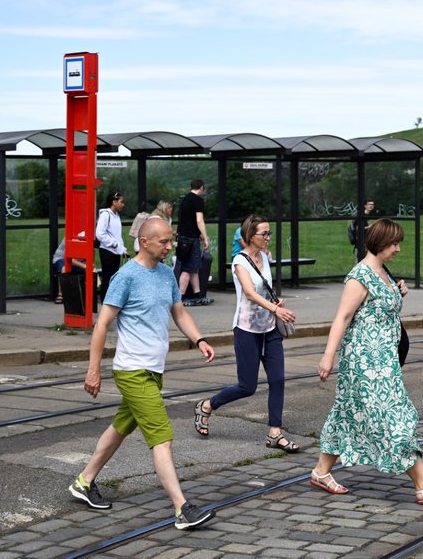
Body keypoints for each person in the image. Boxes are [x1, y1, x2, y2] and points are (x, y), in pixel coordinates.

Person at [68, 217, 216, 530]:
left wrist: (199, 339)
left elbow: (179, 311)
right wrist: (93, 370)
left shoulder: (165, 274)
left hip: (153, 368)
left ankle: (84, 481)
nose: (169, 246)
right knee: (161, 437)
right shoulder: (126, 277)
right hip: (132, 369)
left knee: (122, 425)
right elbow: (103, 324)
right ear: (144, 242)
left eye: (170, 240)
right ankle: (181, 508)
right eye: (163, 242)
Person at [311, 218, 423, 504]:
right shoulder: (360, 276)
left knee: (347, 415)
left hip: (384, 361)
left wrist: (396, 291)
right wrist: (328, 356)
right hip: (365, 364)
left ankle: (320, 472)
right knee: (394, 419)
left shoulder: (383, 273)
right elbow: (342, 318)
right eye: (394, 243)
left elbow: (380, 307)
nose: (398, 249)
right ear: (379, 244)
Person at [193, 215, 299, 452]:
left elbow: (264, 289)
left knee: (278, 380)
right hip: (247, 330)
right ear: (251, 235)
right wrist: (275, 309)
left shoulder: (265, 257)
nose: (268, 238)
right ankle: (207, 406)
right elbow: (250, 293)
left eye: (269, 233)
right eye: (265, 234)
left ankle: (274, 432)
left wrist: (275, 302)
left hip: (269, 328)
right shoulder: (239, 261)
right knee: (247, 386)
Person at [177, 179, 211, 306]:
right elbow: (199, 220)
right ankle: (181, 298)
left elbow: (187, 220)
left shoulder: (185, 199)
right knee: (187, 268)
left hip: (183, 237)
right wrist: (205, 237)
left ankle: (198, 295)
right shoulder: (198, 200)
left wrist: (200, 234)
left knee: (193, 268)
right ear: (201, 187)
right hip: (191, 239)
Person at [96, 191, 126, 302]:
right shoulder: (105, 215)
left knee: (113, 278)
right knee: (108, 278)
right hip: (107, 251)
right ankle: (106, 302)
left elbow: (117, 235)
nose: (123, 204)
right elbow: (100, 233)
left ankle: (111, 303)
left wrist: (122, 249)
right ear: (114, 202)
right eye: (121, 202)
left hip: (115, 252)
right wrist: (113, 243)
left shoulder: (116, 216)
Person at [53, 236, 88, 304]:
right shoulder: (74, 238)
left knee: (90, 270)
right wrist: (85, 266)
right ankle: (61, 294)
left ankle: (84, 294)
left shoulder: (89, 238)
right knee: (65, 269)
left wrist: (89, 266)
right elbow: (70, 259)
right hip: (62, 258)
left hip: (78, 261)